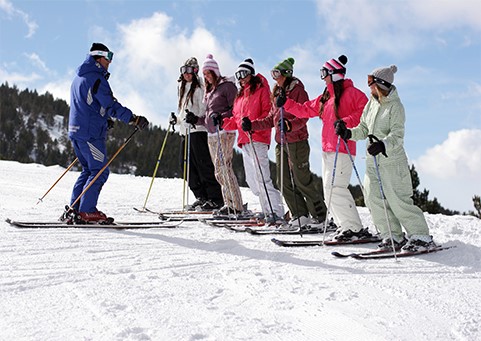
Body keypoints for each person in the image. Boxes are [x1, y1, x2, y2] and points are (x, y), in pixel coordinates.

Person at [335, 65, 437, 252]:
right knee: (373, 198)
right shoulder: (371, 103)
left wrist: (383, 145)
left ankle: (420, 236)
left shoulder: (396, 107)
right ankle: (392, 236)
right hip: (372, 160)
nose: (369, 87)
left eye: (370, 83)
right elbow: (364, 129)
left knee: (398, 200)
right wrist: (348, 133)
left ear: (381, 84)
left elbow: (397, 136)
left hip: (391, 161)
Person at [277, 55, 372, 241]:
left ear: (334, 74)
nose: (322, 77)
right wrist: (286, 103)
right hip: (327, 148)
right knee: (328, 189)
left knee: (336, 187)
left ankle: (353, 227)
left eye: (324, 74)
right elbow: (306, 109)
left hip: (343, 147)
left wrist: (344, 123)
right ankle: (344, 226)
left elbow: (363, 114)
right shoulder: (326, 97)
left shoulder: (354, 94)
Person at [67, 43, 148, 223]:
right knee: (100, 171)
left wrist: (103, 119)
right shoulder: (96, 78)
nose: (110, 62)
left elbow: (88, 104)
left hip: (77, 130)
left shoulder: (79, 77)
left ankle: (75, 208)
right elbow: (110, 105)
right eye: (108, 57)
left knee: (89, 170)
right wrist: (133, 119)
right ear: (98, 58)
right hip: (90, 133)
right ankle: (87, 211)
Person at [242, 57, 326, 228]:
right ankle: (299, 214)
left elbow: (303, 116)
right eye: (273, 74)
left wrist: (289, 125)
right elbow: (269, 120)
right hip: (281, 143)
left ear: (287, 74)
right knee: (283, 181)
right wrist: (253, 124)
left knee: (301, 179)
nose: (275, 78)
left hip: (297, 141)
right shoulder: (277, 93)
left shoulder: (298, 91)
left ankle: (320, 216)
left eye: (277, 74)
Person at [223, 58, 285, 222]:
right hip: (245, 140)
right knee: (251, 180)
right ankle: (267, 210)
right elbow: (237, 120)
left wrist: (252, 124)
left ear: (251, 74)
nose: (241, 78)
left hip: (258, 138)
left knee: (262, 177)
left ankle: (276, 211)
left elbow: (268, 114)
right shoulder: (240, 96)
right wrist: (223, 122)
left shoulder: (261, 90)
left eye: (244, 74)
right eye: (238, 75)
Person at [185, 54, 243, 215]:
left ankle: (236, 205)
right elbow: (207, 118)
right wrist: (195, 119)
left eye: (208, 73)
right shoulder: (210, 91)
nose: (206, 77)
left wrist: (222, 117)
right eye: (204, 74)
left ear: (215, 72)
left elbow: (236, 109)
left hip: (225, 131)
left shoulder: (227, 86)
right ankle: (228, 203)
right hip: (212, 134)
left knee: (224, 167)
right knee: (218, 170)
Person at [170, 57, 223, 211]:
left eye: (190, 70)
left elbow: (204, 108)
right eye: (184, 70)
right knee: (185, 166)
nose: (187, 74)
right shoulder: (181, 87)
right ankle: (201, 197)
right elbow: (183, 112)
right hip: (185, 131)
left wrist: (195, 118)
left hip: (198, 130)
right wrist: (177, 120)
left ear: (195, 71)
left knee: (203, 164)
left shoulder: (201, 86)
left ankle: (215, 198)